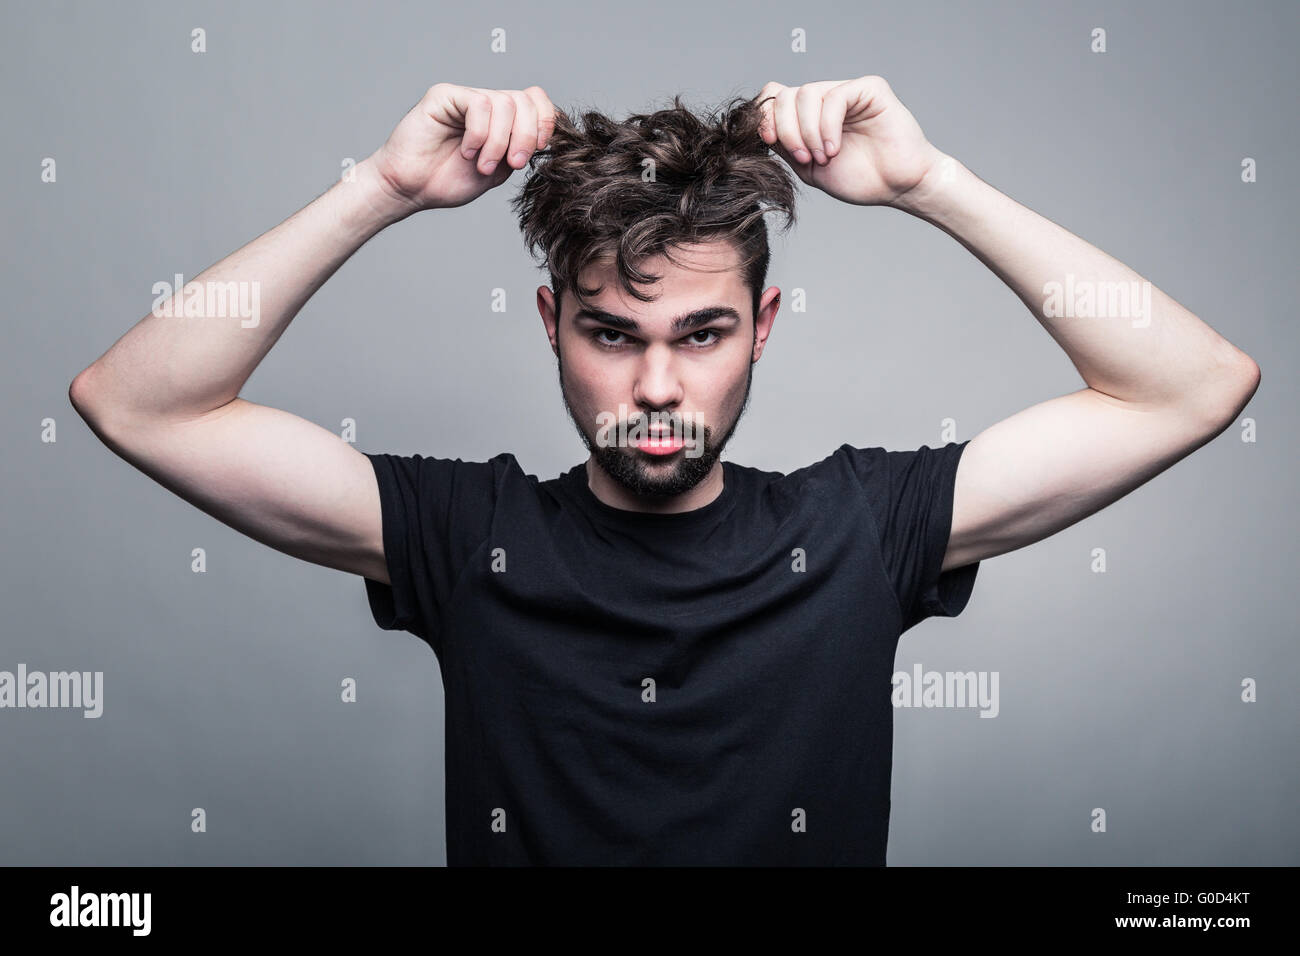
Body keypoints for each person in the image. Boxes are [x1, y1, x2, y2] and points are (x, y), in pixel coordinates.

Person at [69, 77, 1260, 865]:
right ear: (550, 322)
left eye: (700, 333)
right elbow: (137, 403)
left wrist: (924, 183)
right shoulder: (461, 533)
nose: (653, 388)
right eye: (610, 333)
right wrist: (377, 190)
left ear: (764, 323)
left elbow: (1190, 384)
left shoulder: (864, 525)